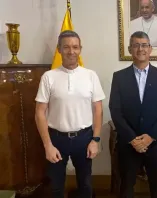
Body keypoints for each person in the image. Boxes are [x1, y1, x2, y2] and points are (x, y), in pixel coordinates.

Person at [35, 30, 105, 198]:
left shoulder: (90, 75)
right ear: (59, 49)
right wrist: (48, 145)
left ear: (80, 49)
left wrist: (95, 140)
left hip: (84, 138)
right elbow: (39, 112)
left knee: (86, 185)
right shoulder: (48, 77)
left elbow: (98, 110)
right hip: (56, 139)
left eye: (75, 47)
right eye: (66, 47)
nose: (71, 51)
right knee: (56, 187)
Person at [109, 31, 157, 198]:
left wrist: (150, 137)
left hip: (155, 143)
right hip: (129, 143)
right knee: (126, 189)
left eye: (144, 45)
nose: (140, 49)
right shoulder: (119, 77)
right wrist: (132, 138)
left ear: (150, 49)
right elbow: (115, 110)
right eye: (136, 45)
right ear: (130, 49)